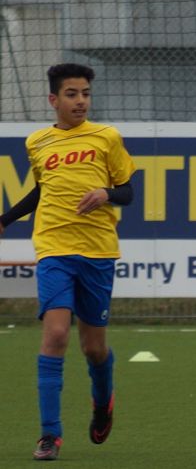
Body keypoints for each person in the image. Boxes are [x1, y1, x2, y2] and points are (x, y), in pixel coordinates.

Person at [0, 63, 136, 461]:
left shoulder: (106, 137)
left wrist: (106, 194)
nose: (81, 101)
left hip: (97, 252)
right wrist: (6, 219)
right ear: (53, 99)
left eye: (86, 94)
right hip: (53, 247)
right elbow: (41, 191)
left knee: (94, 349)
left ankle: (103, 401)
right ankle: (50, 434)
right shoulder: (37, 142)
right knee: (56, 334)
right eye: (72, 94)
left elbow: (127, 191)